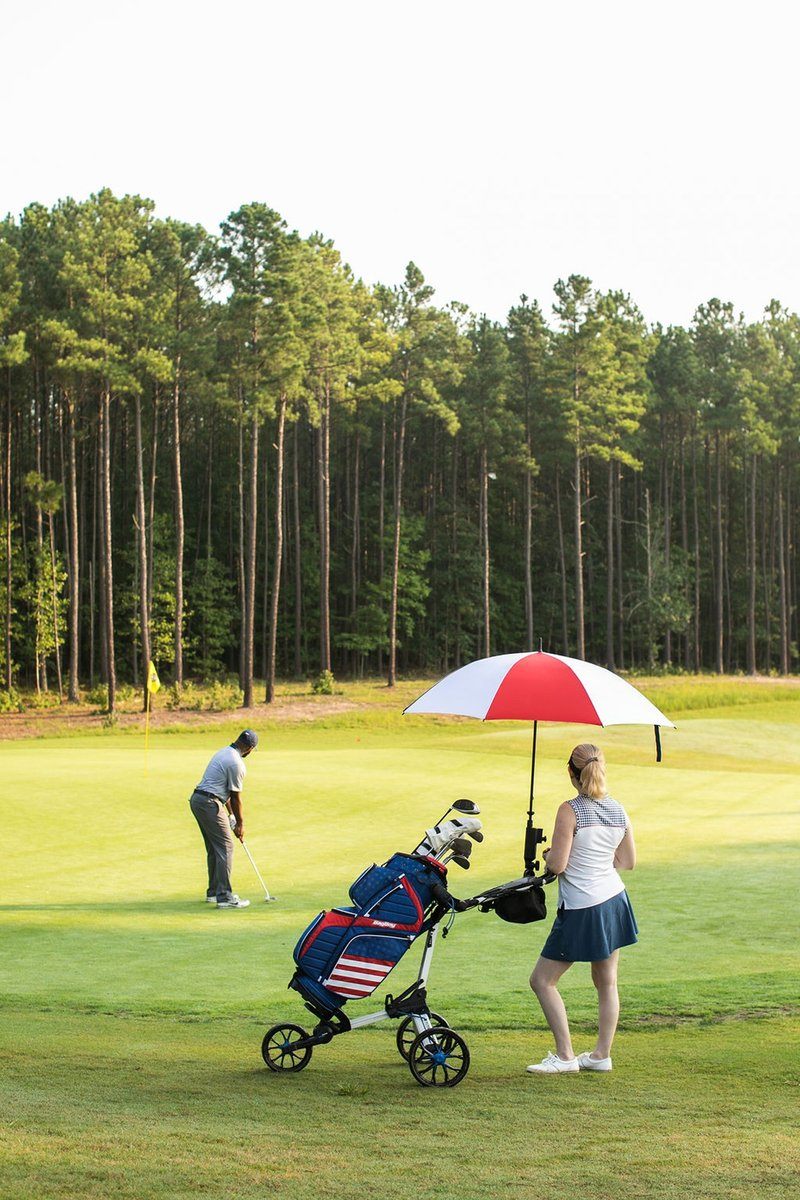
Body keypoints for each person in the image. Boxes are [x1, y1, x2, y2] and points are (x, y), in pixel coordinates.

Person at [526, 742, 638, 1074]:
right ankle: (601, 1055)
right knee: (607, 982)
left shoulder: (570, 809)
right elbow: (627, 861)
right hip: (614, 901)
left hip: (582, 908)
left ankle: (565, 1057)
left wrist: (550, 855)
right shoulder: (618, 809)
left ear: (571, 773)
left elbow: (557, 865)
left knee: (542, 981)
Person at [189, 729, 259, 909]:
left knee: (215, 847)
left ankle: (213, 893)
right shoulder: (237, 763)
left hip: (199, 800)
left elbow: (225, 791)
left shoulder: (224, 752)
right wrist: (240, 825)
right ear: (250, 748)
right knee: (226, 847)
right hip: (209, 803)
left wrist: (232, 816)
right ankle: (224, 897)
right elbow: (235, 797)